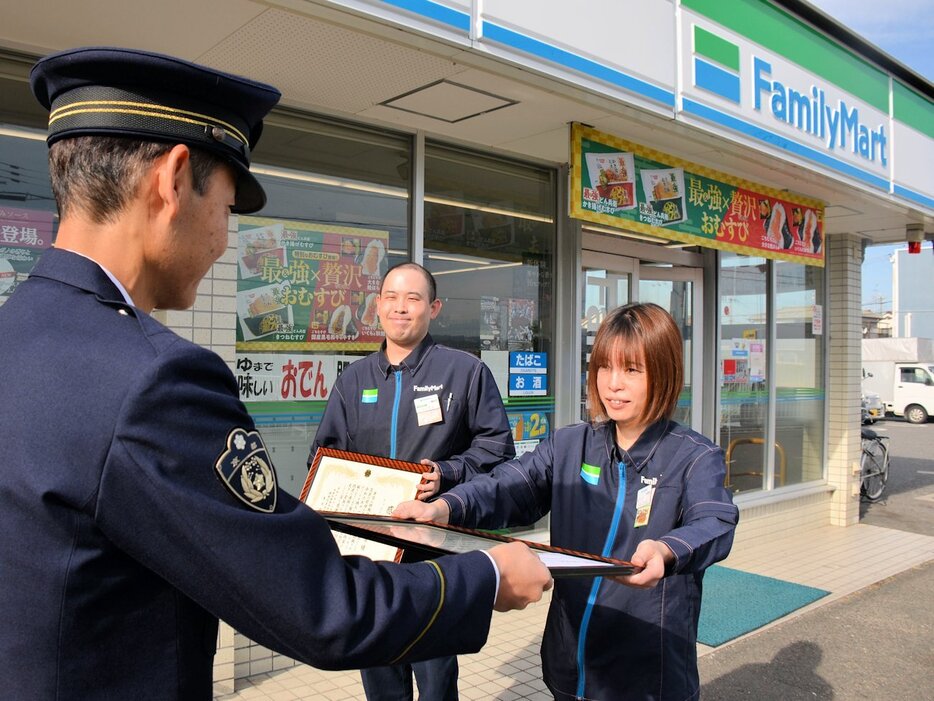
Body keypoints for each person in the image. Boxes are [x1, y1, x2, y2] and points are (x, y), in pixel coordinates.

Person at [0, 46, 552, 700]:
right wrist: (485, 578)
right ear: (174, 180)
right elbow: (318, 605)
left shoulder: (17, 333)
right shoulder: (154, 380)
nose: (224, 240)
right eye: (228, 209)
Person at [395, 302, 739, 700]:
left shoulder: (694, 456)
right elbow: (509, 483)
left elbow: (714, 523)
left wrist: (666, 550)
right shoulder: (571, 444)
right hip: (568, 662)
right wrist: (443, 507)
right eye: (604, 368)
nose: (613, 384)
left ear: (664, 373)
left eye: (632, 370)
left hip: (647, 675)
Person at [309, 260, 517, 701]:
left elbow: (497, 450)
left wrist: (448, 473)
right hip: (370, 555)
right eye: (391, 297)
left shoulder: (465, 372)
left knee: (437, 677)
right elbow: (323, 458)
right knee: (379, 673)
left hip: (432, 553)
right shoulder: (354, 380)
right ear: (377, 306)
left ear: (434, 308)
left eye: (413, 298)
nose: (400, 308)